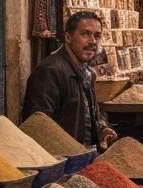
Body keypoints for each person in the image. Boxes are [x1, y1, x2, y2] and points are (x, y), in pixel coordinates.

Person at [23, 10, 117, 150]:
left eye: (97, 36)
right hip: (63, 160)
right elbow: (38, 126)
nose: (92, 41)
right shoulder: (50, 71)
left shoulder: (88, 73)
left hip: (83, 156)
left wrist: (101, 130)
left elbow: (84, 116)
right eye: (85, 34)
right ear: (68, 37)